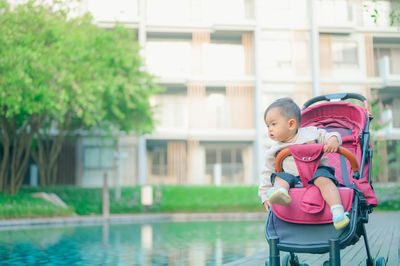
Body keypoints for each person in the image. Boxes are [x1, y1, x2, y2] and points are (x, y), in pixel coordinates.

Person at [258, 97, 350, 230]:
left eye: (273, 124)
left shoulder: (311, 133)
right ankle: (280, 193)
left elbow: (329, 135)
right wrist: (264, 196)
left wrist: (334, 139)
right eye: (268, 126)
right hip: (292, 178)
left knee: (325, 181)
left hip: (316, 170)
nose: (269, 129)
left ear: (291, 124)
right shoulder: (274, 150)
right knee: (279, 177)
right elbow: (266, 173)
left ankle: (338, 213)